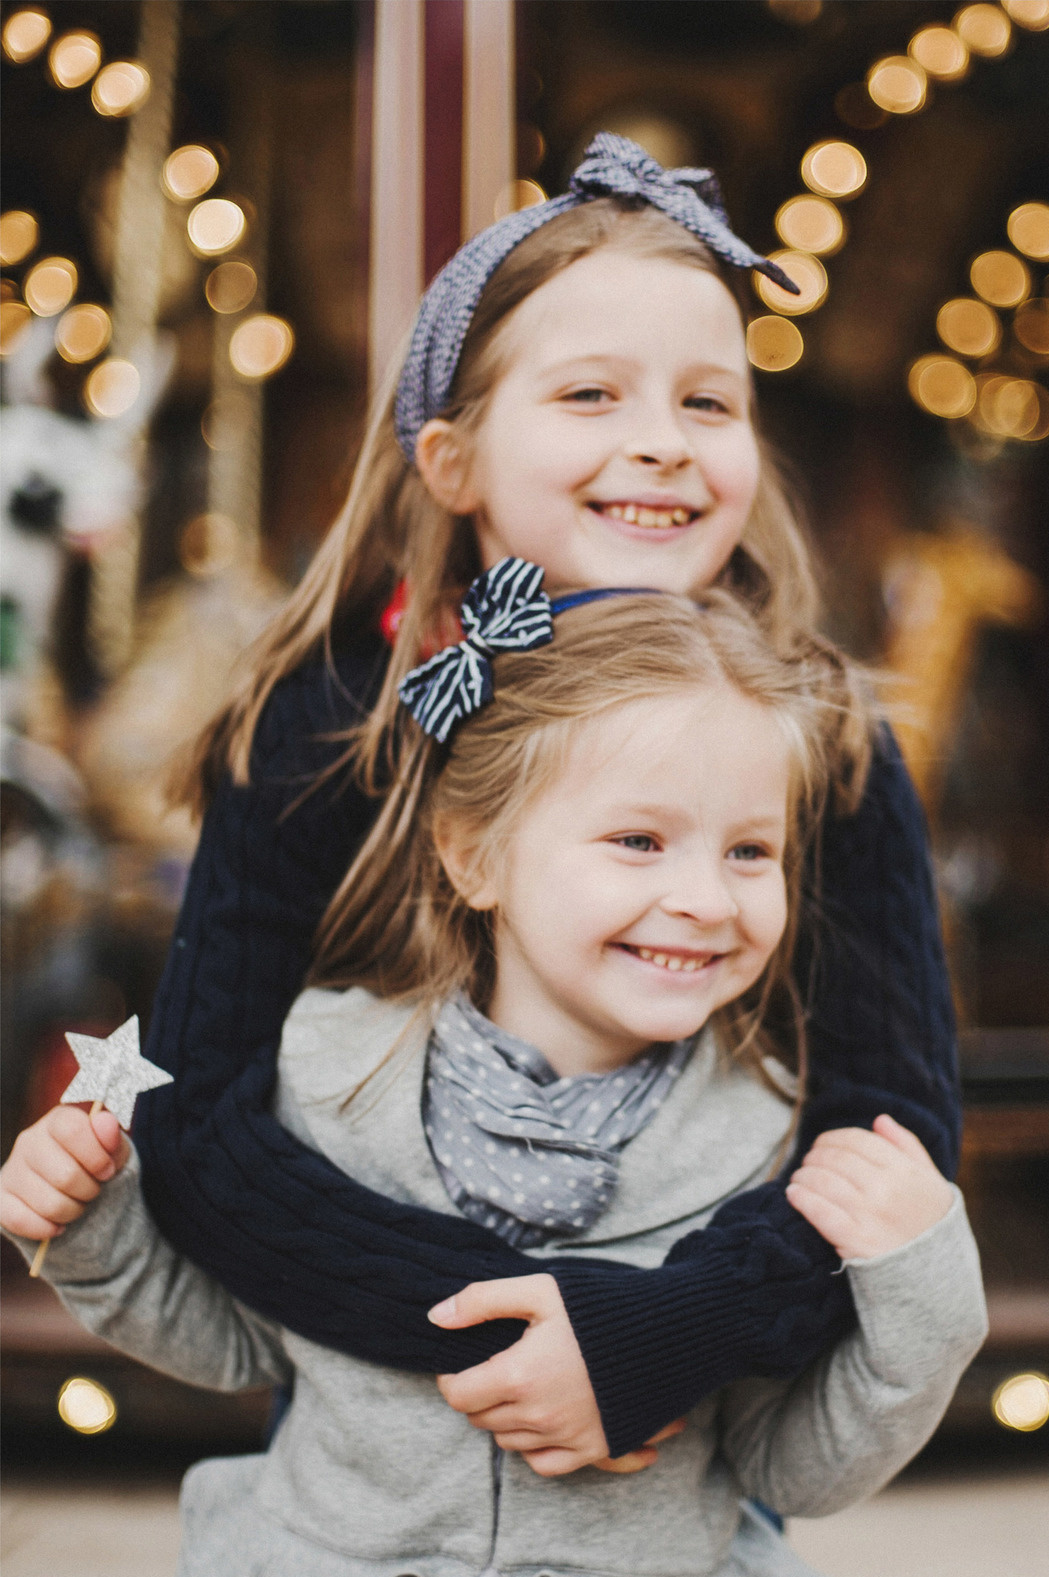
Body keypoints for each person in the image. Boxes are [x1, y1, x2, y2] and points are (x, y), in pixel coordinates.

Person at [112, 134, 961, 1474]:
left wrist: (666, 1327)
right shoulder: (332, 720)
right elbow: (204, 1122)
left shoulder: (824, 739)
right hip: (375, 1458)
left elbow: (887, 1122)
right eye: (590, 395)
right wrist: (520, 1330)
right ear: (450, 460)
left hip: (670, 1454)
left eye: (708, 403)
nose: (661, 446)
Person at [1, 588, 989, 1577]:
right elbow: (236, 1344)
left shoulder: (770, 1148)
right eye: (638, 840)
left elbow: (794, 1465)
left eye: (751, 852)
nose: (706, 898)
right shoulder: (328, 1078)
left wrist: (925, 1292)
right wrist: (95, 1226)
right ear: (473, 857)